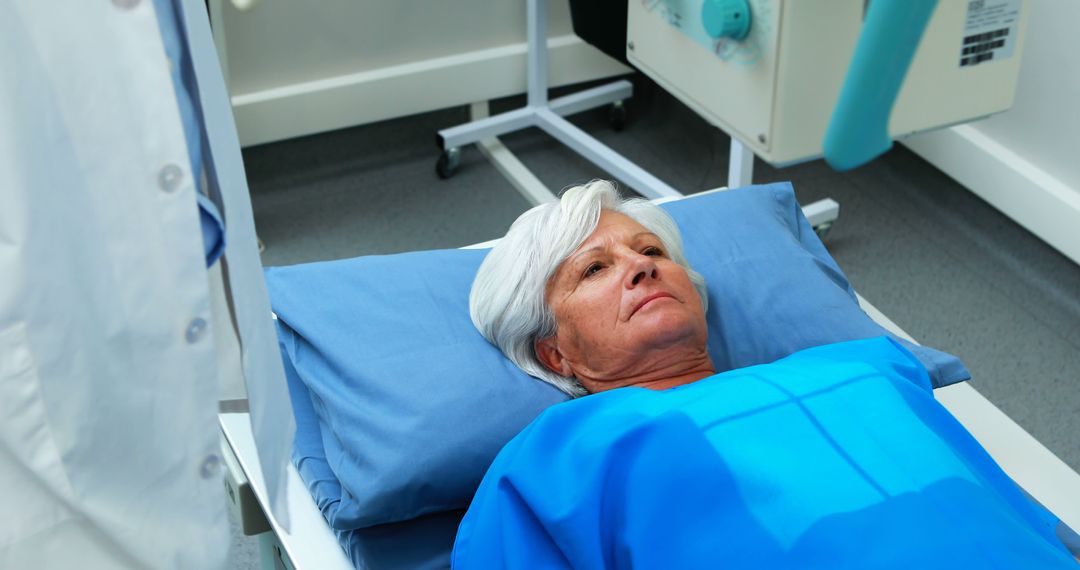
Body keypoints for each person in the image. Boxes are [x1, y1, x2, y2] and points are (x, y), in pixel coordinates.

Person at [455, 180, 1077, 568]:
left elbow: (1009, 509)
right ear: (554, 355)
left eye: (651, 252)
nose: (642, 268)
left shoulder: (871, 365)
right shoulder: (556, 454)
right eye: (594, 270)